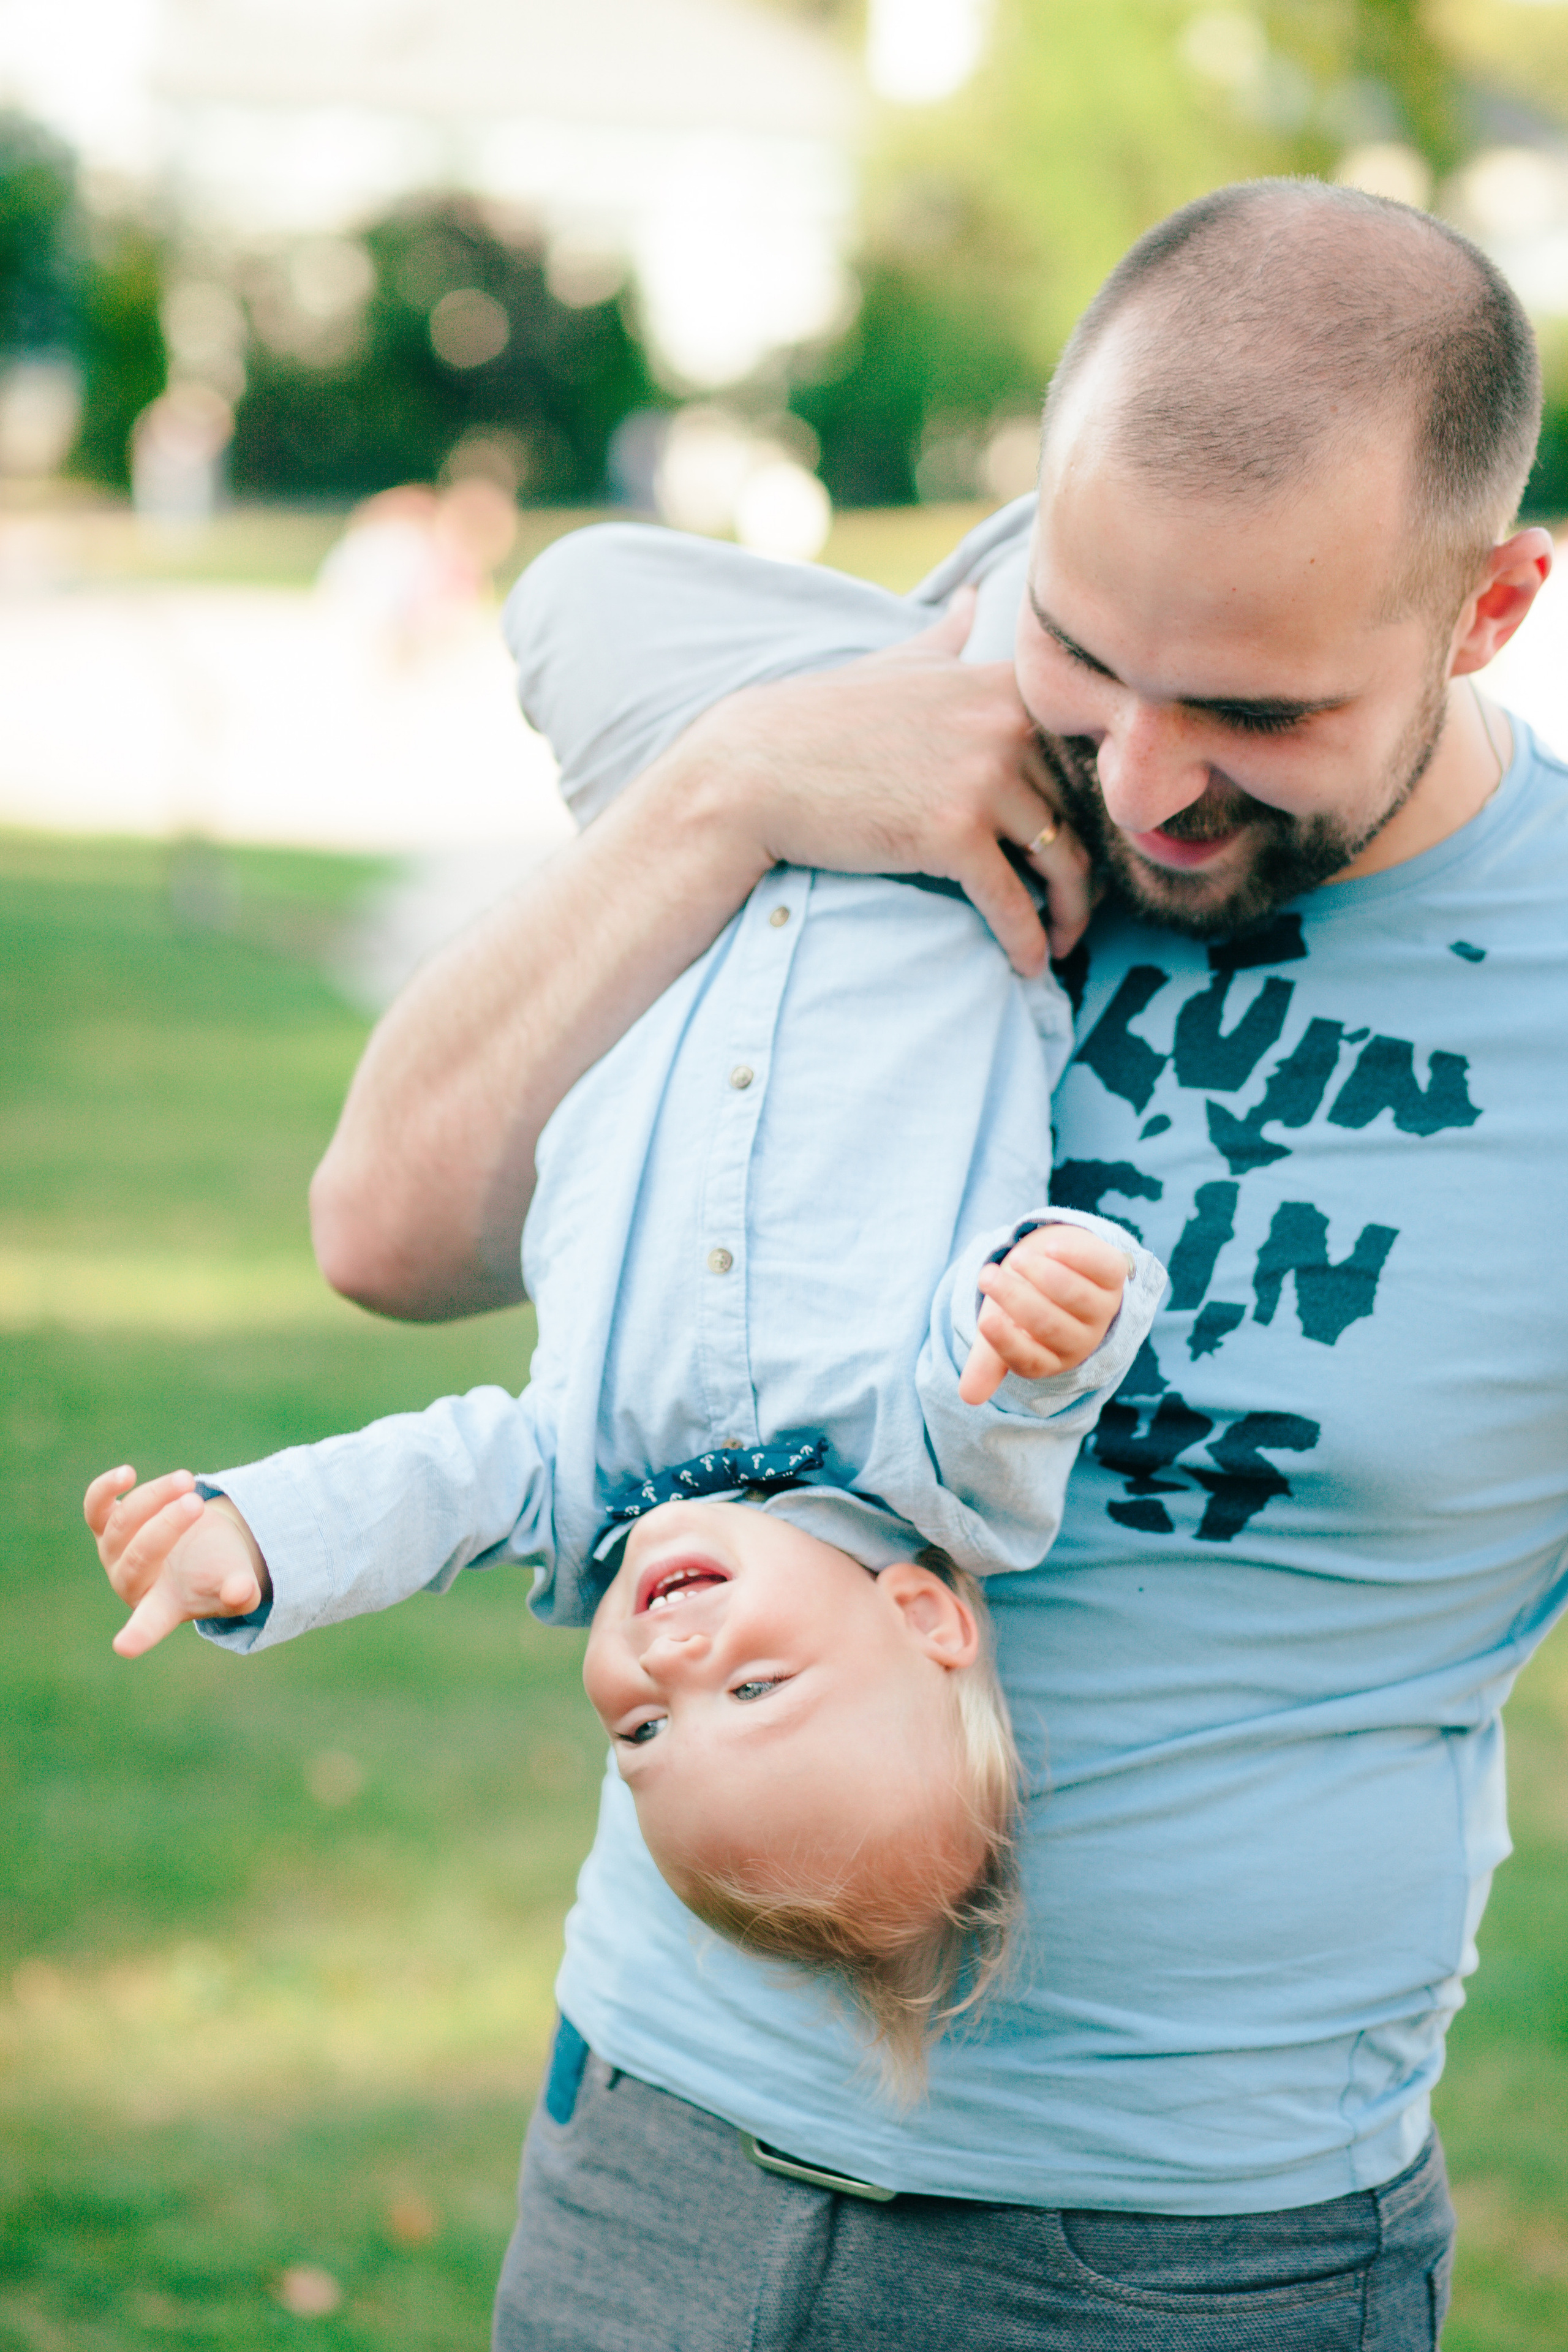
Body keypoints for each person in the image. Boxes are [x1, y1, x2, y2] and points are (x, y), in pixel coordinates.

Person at [306, 181, 1562, 2348]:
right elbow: (391, 1235)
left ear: (1489, 606)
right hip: (658, 2159)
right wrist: (726, 794)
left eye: (1254, 713)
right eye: (1089, 653)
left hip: (1201, 2261)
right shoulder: (863, 764)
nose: (1144, 782)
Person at [85, 550, 1166, 2081]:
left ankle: (878, 650)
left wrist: (250, 1543)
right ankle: (952, 614)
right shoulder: (935, 1471)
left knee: (574, 602)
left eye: (644, 1738)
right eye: (754, 1688)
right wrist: (1059, 1304)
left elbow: (434, 1484)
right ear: (919, 1618)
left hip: (730, 827)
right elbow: (1029, 1373)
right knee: (1074, 553)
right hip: (945, 851)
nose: (669, 1669)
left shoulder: (585, 1480)